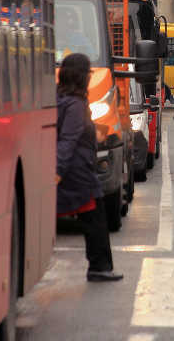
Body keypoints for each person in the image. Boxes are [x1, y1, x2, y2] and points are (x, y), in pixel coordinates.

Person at [56, 53, 123, 282]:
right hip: (77, 173)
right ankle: (99, 267)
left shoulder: (64, 99)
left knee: (94, 219)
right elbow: (67, 139)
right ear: (80, 76)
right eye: (87, 73)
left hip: (78, 171)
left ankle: (100, 266)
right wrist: (57, 171)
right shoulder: (75, 105)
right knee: (95, 221)